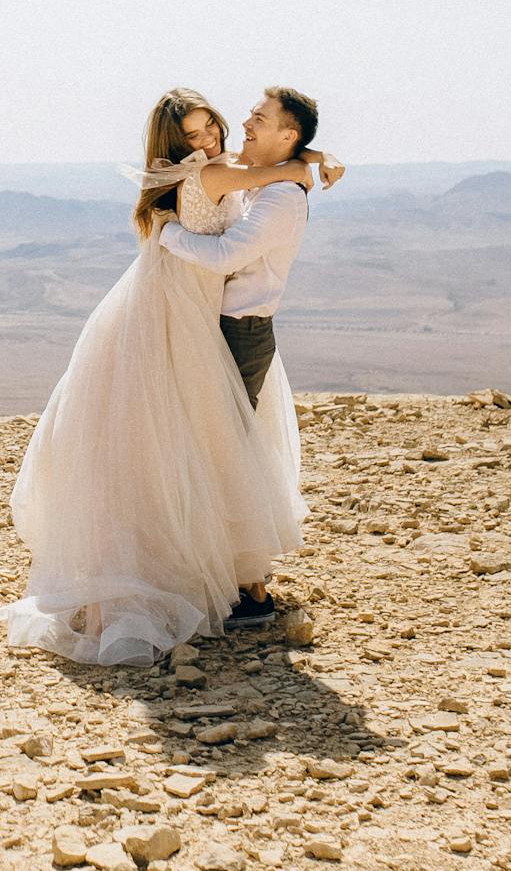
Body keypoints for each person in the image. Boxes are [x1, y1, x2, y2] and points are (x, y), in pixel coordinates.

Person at [0, 87, 336, 665]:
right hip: (179, 307)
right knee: (196, 436)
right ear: (173, 142)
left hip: (193, 307)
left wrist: (309, 161)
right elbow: (266, 185)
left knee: (190, 437)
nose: (208, 141)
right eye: (193, 135)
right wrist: (307, 164)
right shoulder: (208, 176)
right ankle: (205, 574)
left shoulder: (206, 171)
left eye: (213, 128)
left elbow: (275, 171)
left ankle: (210, 569)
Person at [158, 86, 324, 628]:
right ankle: (218, 570)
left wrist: (168, 236)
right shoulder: (266, 177)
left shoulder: (280, 197)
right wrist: (311, 161)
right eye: (248, 115)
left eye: (259, 117)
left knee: (229, 454)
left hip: (239, 332)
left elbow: (227, 254)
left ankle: (251, 590)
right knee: (214, 449)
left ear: (287, 134)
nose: (245, 124)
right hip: (220, 327)